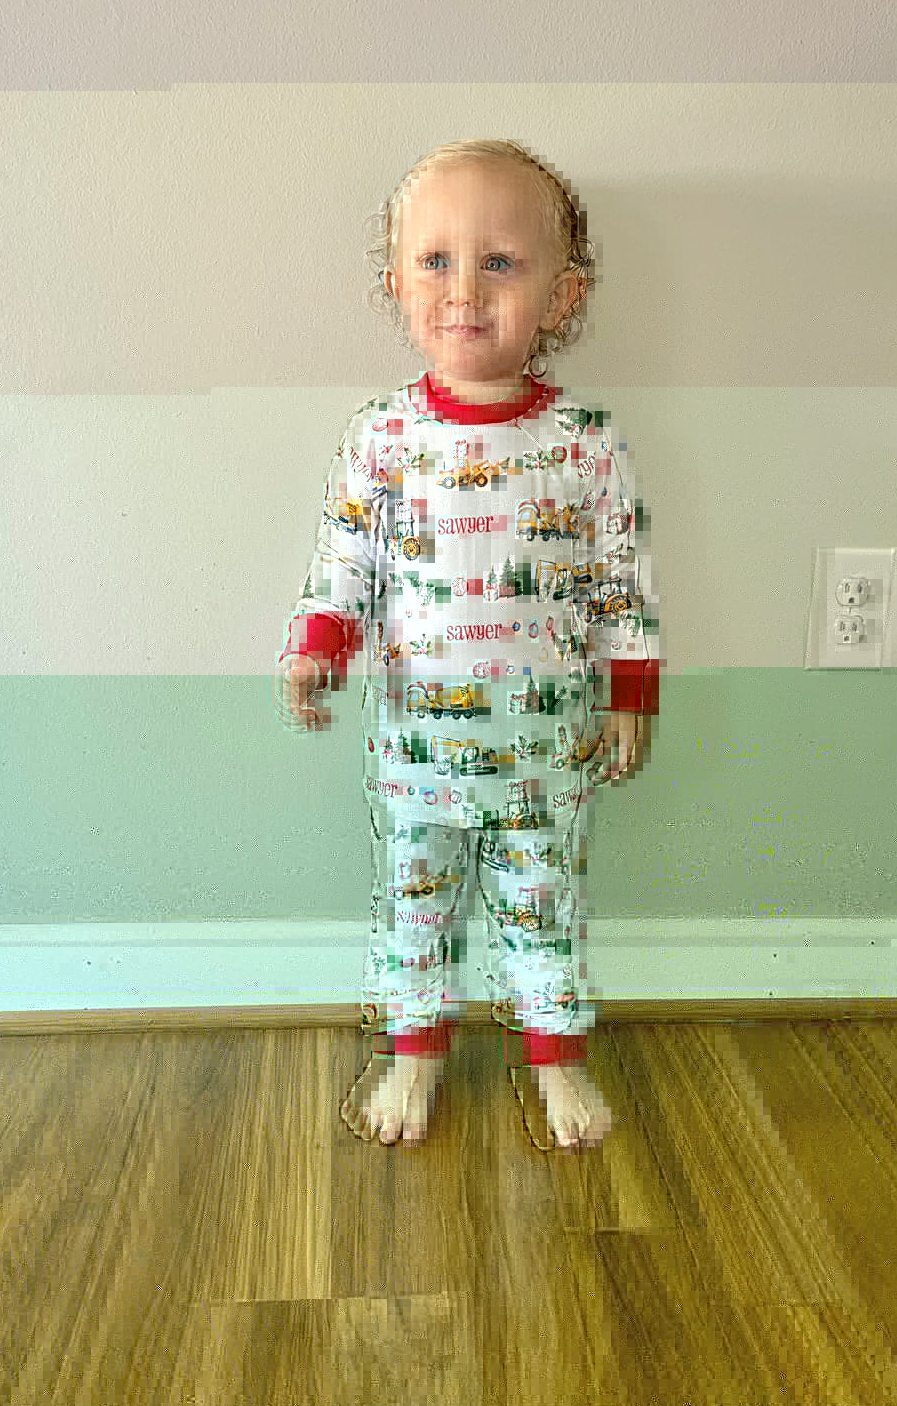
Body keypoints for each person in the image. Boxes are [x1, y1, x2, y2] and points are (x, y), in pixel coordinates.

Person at [276, 139, 659, 1149]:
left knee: (545, 905)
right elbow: (346, 555)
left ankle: (557, 1061)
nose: (463, 289)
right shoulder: (382, 437)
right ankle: (414, 1053)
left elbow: (621, 573)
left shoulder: (582, 443)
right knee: (415, 905)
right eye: (435, 260)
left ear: (561, 296)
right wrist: (320, 643)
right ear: (395, 282)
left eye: (500, 262)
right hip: (416, 748)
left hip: (546, 751)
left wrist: (632, 688)